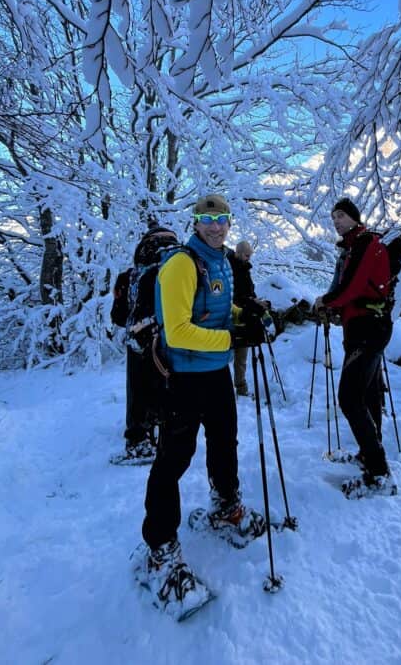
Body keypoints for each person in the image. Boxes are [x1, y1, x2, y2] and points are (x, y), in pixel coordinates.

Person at [140, 194, 266, 606]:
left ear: (229, 222)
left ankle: (226, 506)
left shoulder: (221, 261)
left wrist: (247, 316)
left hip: (216, 375)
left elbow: (215, 305)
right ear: (195, 223)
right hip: (184, 379)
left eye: (221, 219)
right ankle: (159, 547)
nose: (215, 226)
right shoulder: (180, 263)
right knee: (174, 459)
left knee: (225, 441)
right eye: (207, 219)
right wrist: (232, 337)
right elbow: (176, 331)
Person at [314, 197, 397, 497]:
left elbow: (352, 285)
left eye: (340, 215)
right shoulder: (352, 246)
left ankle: (379, 472)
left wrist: (327, 301)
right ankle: (369, 454)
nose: (335, 220)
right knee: (368, 393)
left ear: (353, 217)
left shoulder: (365, 243)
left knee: (349, 398)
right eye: (333, 216)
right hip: (364, 328)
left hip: (368, 329)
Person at [111, 225, 178, 461]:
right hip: (172, 339)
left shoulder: (128, 277)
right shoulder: (177, 268)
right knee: (167, 386)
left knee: (138, 389)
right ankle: (169, 436)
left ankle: (140, 441)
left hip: (138, 342)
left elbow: (118, 317)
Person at [226, 240, 257, 397]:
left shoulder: (244, 269)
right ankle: (229, 389)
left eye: (250, 255)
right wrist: (250, 302)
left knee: (241, 356)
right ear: (238, 253)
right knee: (228, 354)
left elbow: (249, 290)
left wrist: (256, 302)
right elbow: (235, 293)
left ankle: (241, 387)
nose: (249, 258)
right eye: (246, 255)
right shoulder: (229, 268)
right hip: (231, 317)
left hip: (244, 316)